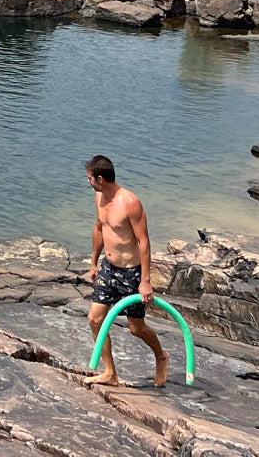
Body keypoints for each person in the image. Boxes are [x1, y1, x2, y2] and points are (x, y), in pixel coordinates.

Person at [83, 154, 168, 388]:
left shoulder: (129, 202)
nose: (88, 182)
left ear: (100, 179)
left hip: (132, 272)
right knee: (94, 319)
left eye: (89, 178)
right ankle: (110, 373)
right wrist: (94, 262)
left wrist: (145, 281)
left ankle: (161, 356)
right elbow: (100, 228)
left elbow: (144, 241)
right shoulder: (99, 197)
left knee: (136, 328)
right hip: (109, 269)